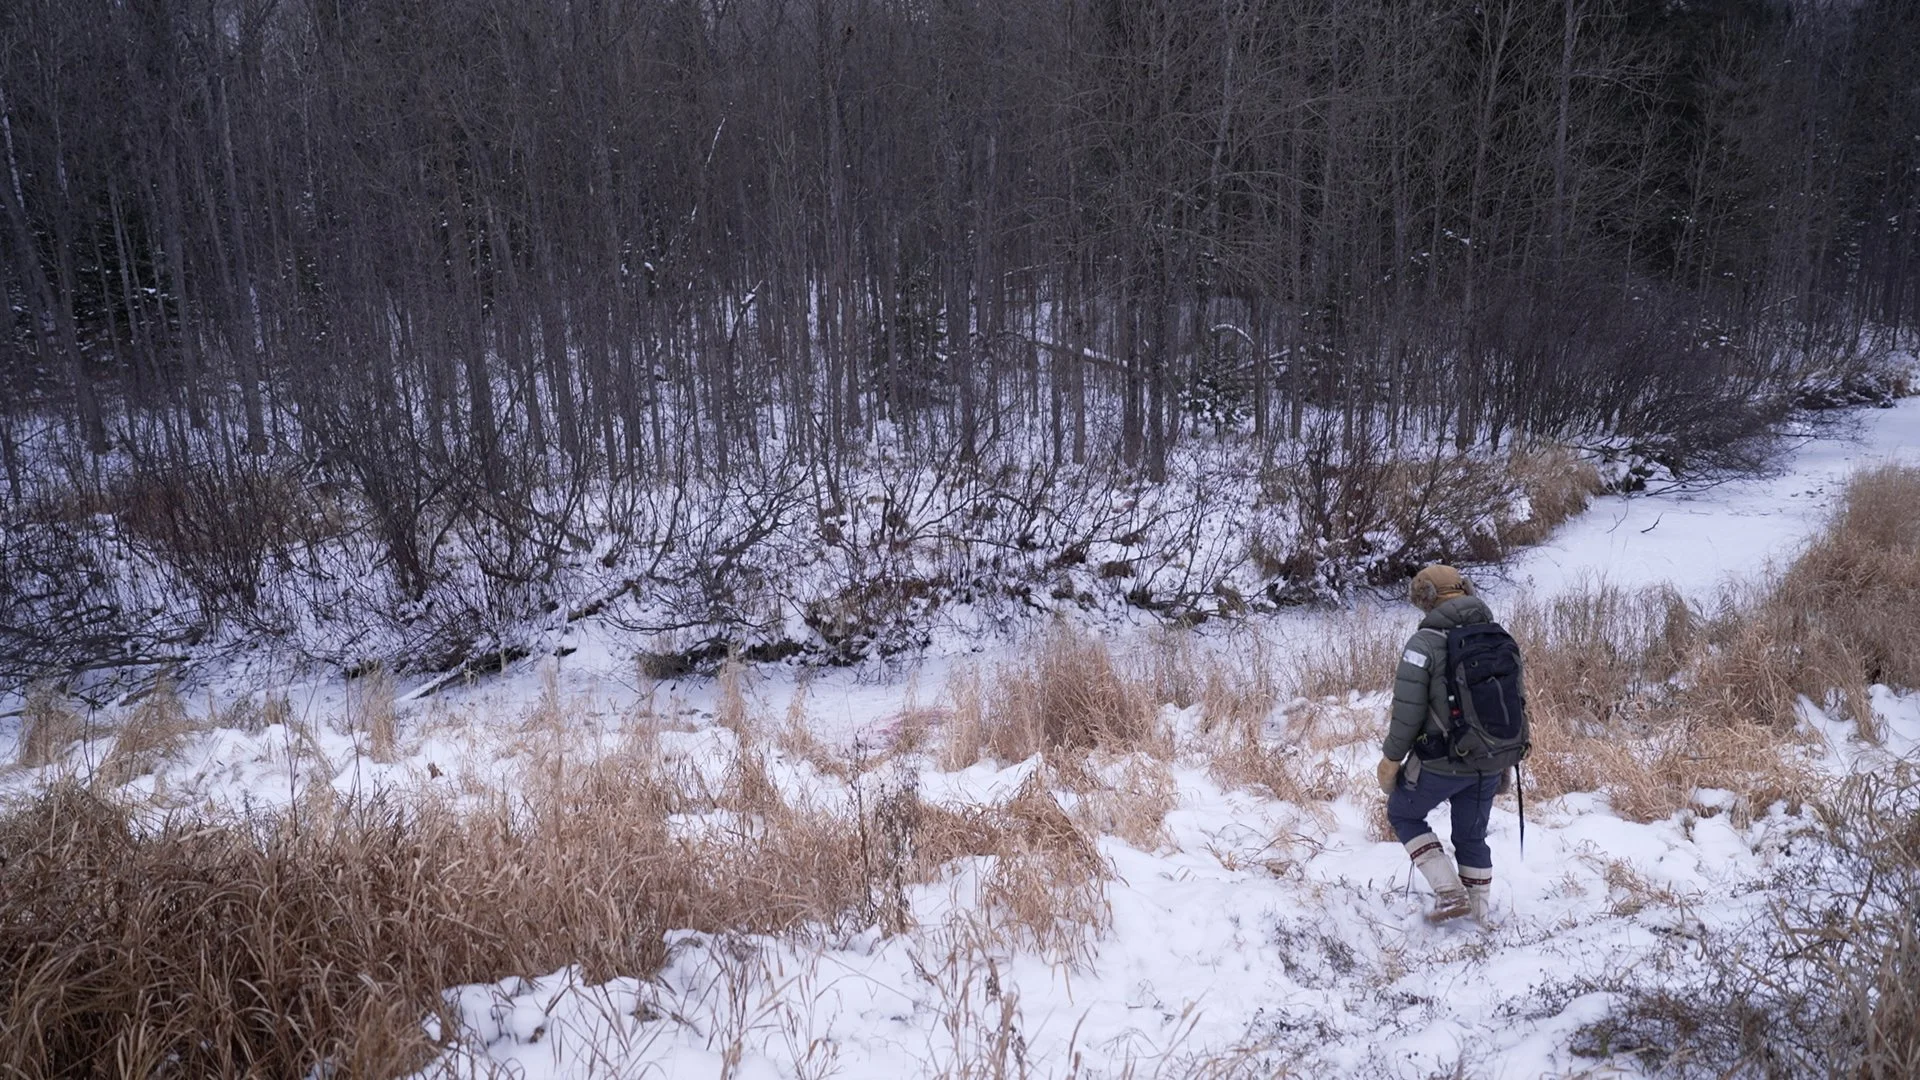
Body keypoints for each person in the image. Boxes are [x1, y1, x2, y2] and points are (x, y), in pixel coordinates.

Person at [1375, 564, 1513, 925]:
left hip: (1440, 761)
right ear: (1465, 589)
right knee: (1471, 835)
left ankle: (1450, 893)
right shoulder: (1498, 636)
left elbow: (1407, 713)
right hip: (1489, 760)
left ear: (1425, 598)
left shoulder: (1423, 644)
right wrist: (1503, 761)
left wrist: (1391, 760)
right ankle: (1479, 916)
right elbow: (1514, 705)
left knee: (1403, 813)